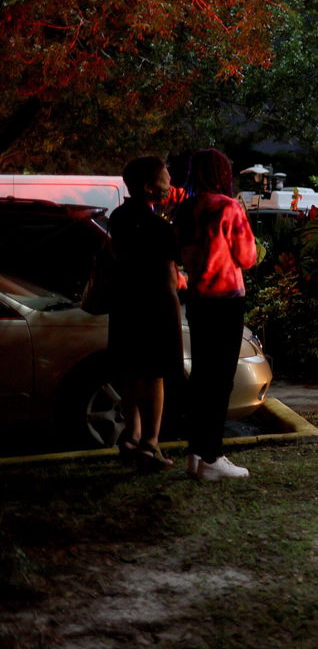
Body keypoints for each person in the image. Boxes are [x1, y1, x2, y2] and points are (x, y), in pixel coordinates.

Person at [175, 149, 258, 481]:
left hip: (197, 299)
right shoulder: (228, 207)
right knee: (220, 380)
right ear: (223, 173)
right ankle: (212, 457)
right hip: (225, 299)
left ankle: (197, 453)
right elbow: (248, 256)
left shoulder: (185, 208)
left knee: (202, 378)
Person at [108, 156, 182, 472]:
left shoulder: (118, 217)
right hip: (155, 305)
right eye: (165, 179)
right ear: (148, 186)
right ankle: (150, 444)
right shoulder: (158, 227)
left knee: (129, 370)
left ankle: (131, 434)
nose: (170, 184)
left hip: (125, 302)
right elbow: (168, 272)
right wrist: (176, 304)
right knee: (154, 375)